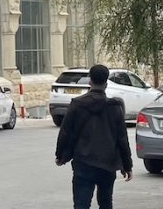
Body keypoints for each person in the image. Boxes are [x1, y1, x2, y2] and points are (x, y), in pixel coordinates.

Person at [55, 64, 133, 209]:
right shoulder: (115, 107)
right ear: (106, 83)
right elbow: (122, 139)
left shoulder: (77, 104)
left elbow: (65, 132)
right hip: (108, 164)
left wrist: (60, 155)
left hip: (83, 162)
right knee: (106, 203)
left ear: (90, 81)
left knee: (81, 204)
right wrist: (127, 165)